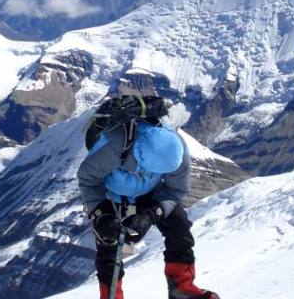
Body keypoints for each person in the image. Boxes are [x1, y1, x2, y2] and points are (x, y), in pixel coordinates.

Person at [78, 116, 219, 299]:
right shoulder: (113, 146)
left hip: (150, 191)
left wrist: (151, 214)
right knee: (109, 243)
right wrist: (102, 214)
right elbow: (88, 180)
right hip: (110, 194)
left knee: (178, 225)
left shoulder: (177, 150)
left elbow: (175, 190)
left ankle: (182, 289)